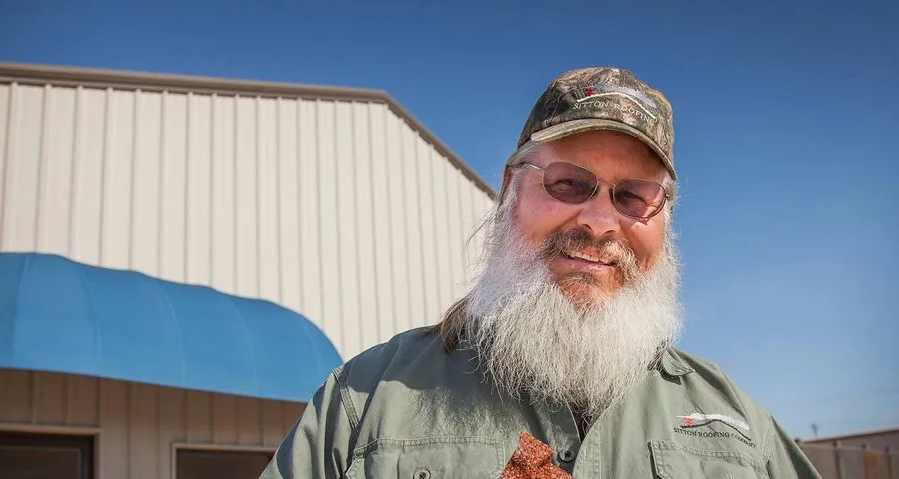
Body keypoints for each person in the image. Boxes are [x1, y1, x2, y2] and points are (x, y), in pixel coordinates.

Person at [260, 67, 820, 478]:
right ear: (511, 190)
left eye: (634, 196)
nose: (601, 223)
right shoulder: (363, 402)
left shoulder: (735, 422)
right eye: (569, 184)